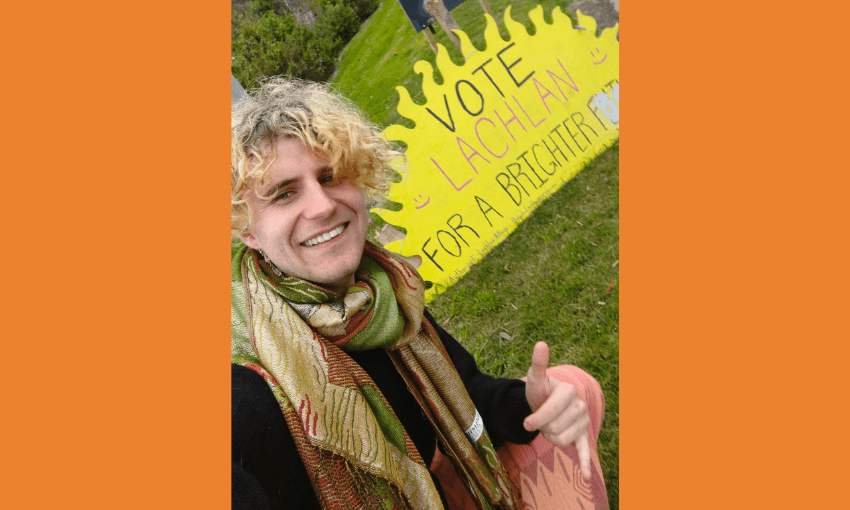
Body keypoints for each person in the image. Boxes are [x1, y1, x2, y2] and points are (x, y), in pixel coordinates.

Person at [231, 78, 605, 510]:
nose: (322, 206)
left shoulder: (381, 295)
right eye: (283, 194)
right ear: (247, 230)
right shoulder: (246, 385)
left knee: (573, 386)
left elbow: (468, 390)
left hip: (442, 486)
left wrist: (530, 404)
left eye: (330, 176)